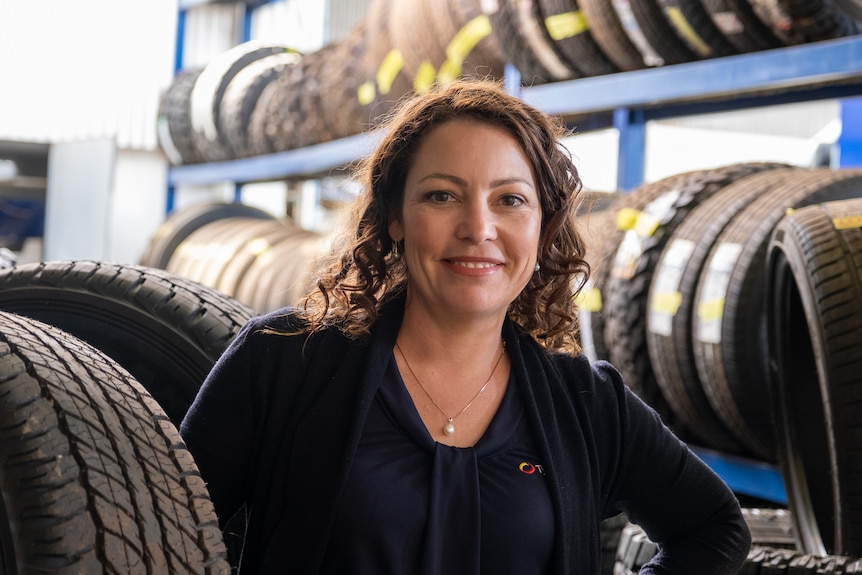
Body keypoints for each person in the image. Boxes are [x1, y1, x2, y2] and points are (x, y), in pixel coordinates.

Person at [180, 78, 751, 574]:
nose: (478, 227)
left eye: (510, 200)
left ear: (543, 228)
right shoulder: (282, 362)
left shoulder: (583, 402)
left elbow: (715, 528)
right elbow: (162, 529)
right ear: (395, 218)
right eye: (442, 195)